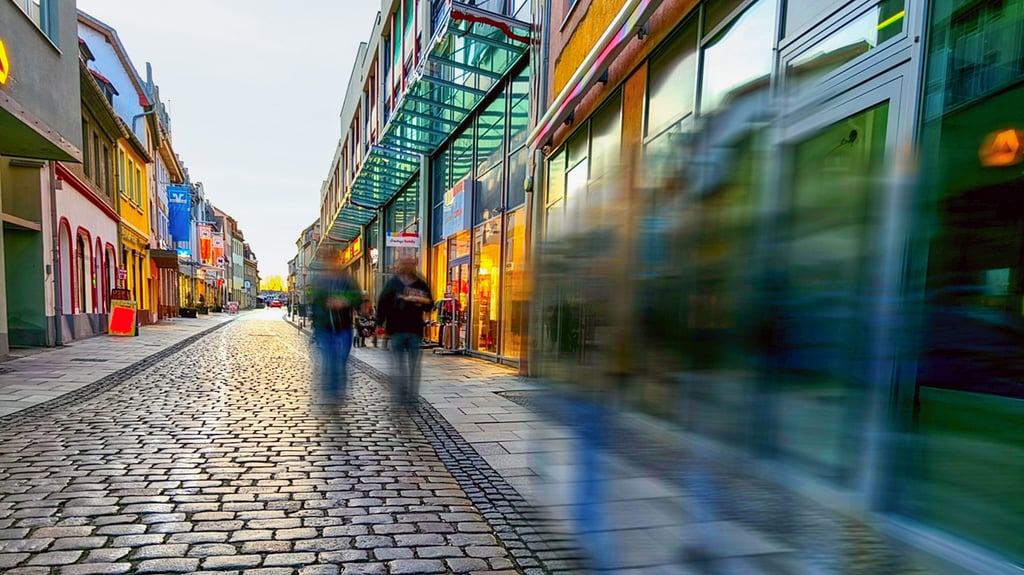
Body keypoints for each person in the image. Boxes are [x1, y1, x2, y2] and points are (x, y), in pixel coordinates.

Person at [377, 254, 433, 406]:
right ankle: (401, 394)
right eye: (405, 263)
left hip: (414, 329)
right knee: (399, 365)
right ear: (400, 265)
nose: (408, 266)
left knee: (414, 366)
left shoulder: (420, 284)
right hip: (396, 330)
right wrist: (379, 324)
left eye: (411, 264)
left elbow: (429, 304)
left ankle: (412, 396)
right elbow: (383, 304)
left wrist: (421, 302)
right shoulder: (393, 284)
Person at [310, 246, 361, 405]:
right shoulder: (319, 282)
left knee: (340, 360)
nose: (331, 263)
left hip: (343, 327)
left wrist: (345, 301)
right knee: (328, 360)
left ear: (339, 261)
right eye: (328, 260)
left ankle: (338, 391)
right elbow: (313, 301)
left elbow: (358, 298)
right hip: (325, 329)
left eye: (334, 260)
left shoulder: (348, 280)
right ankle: (330, 393)